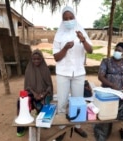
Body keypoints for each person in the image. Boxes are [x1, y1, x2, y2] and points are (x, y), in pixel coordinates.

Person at [52, 5, 93, 140]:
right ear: (62, 20)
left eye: (71, 17)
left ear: (75, 18)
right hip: (63, 73)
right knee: (62, 101)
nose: (69, 20)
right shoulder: (59, 35)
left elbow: (90, 50)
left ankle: (77, 126)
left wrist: (83, 40)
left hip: (79, 73)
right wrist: (64, 48)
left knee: (78, 100)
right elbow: (56, 57)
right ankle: (62, 128)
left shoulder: (81, 32)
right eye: (66, 18)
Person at [93, 42, 123, 140]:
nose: (116, 52)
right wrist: (111, 85)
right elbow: (100, 76)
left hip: (120, 92)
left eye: (119, 51)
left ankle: (120, 130)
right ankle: (102, 133)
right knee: (106, 112)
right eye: (116, 50)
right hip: (107, 91)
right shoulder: (106, 61)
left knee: (117, 113)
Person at [16, 49, 53, 137]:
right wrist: (35, 94)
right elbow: (27, 87)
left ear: (42, 59)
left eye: (38, 59)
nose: (36, 61)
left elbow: (49, 86)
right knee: (21, 102)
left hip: (44, 93)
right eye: (34, 59)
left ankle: (40, 114)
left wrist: (43, 94)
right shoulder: (28, 70)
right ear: (31, 59)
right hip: (32, 93)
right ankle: (21, 126)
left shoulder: (45, 69)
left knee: (43, 108)